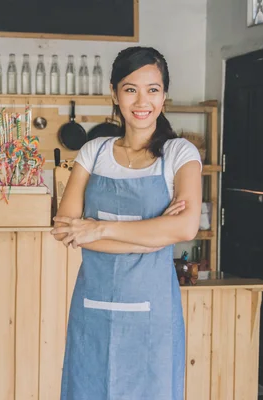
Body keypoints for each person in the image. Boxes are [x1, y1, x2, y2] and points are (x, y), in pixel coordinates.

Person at [51, 46, 203, 399]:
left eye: (153, 89)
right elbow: (65, 228)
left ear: (164, 96)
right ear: (115, 94)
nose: (142, 101)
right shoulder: (95, 152)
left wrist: (99, 228)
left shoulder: (179, 154)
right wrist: (153, 234)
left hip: (153, 312)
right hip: (93, 306)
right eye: (131, 89)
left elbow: (184, 228)